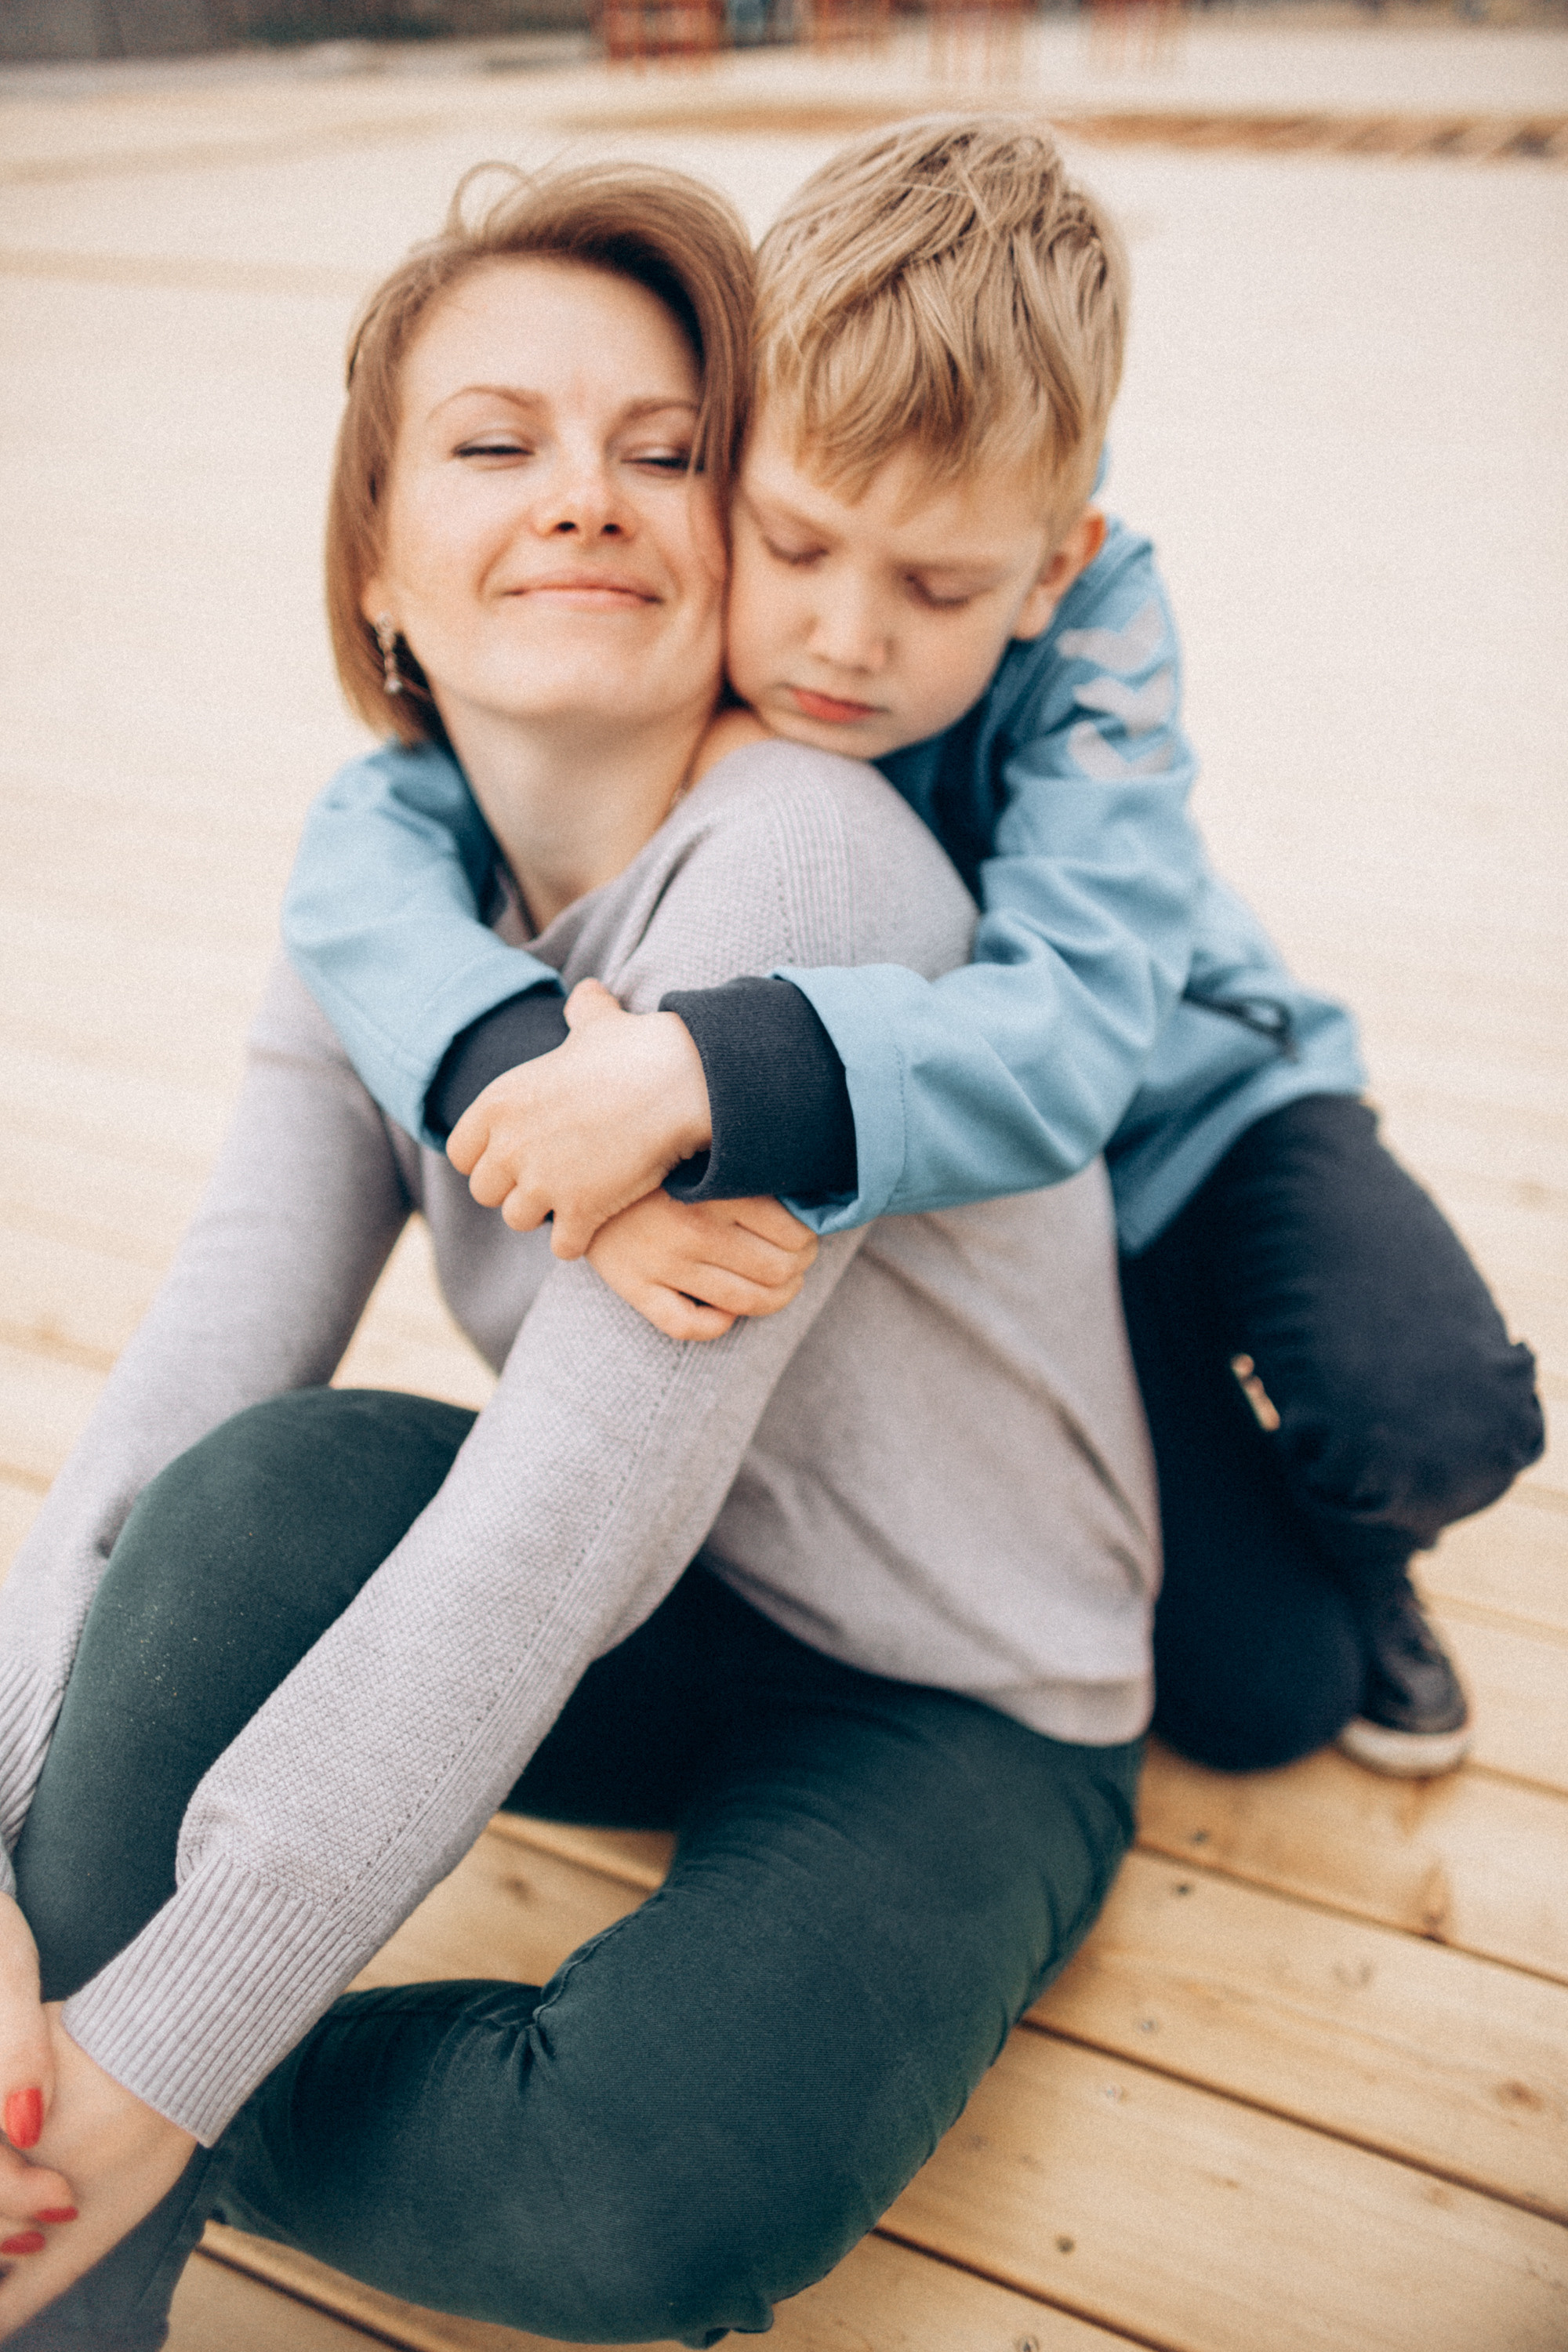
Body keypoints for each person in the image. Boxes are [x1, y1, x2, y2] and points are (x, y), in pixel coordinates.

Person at [0, 162, 1159, 2348]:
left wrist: (151, 2055)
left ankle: (70, 2124)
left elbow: (557, 1536)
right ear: (377, 554)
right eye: (493, 442)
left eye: (667, 450)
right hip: (677, 1607)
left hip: (954, 1688)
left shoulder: (803, 866)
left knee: (639, 2191)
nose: (588, 499)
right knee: (242, 1497)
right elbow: (197, 1366)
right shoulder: (381, 893)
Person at [282, 115, 1544, 1781]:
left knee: (1426, 1415)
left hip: (1193, 1107)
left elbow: (1079, 1043)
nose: (844, 641)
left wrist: (697, 1070)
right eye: (795, 546)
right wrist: (504, 1059)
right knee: (1256, 1700)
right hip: (1033, 1228)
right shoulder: (666, 604)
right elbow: (372, 852)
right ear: (730, 463)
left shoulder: (1099, 652)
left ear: (1051, 567)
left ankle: (1372, 1554)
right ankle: (1233, 1506)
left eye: (939, 587)